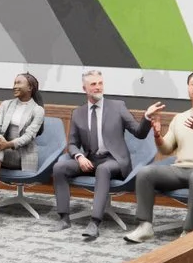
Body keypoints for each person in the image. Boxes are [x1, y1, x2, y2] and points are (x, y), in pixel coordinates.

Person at [126, 70, 193, 243]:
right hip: (180, 170)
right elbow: (166, 149)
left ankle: (189, 231)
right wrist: (158, 136)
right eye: (191, 84)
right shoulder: (179, 118)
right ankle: (144, 226)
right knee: (145, 173)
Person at [50, 69, 151, 240]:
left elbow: (138, 132)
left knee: (103, 169)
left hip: (115, 161)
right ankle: (64, 218)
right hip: (90, 159)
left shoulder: (118, 107)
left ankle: (94, 223)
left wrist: (147, 119)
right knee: (59, 167)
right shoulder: (78, 113)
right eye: (93, 84)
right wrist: (79, 157)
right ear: (85, 88)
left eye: (100, 83)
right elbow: (72, 144)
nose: (98, 87)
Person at [0, 73, 47, 222]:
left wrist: (7, 145)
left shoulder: (38, 110)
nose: (14, 86)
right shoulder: (6, 104)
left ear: (30, 87)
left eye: (18, 83)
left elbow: (28, 137)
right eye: (14, 83)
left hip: (21, 154)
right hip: (2, 149)